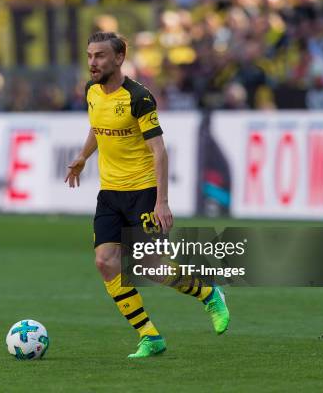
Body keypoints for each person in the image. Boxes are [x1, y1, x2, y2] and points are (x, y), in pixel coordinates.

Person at [64, 32, 230, 358]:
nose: (92, 62)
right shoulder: (91, 91)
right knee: (105, 262)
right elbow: (97, 128)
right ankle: (149, 335)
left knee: (152, 268)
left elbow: (159, 151)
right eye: (89, 55)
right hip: (110, 193)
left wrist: (162, 201)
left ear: (119, 58)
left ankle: (209, 293)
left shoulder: (139, 97)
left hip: (142, 192)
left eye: (99, 56)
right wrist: (84, 156)